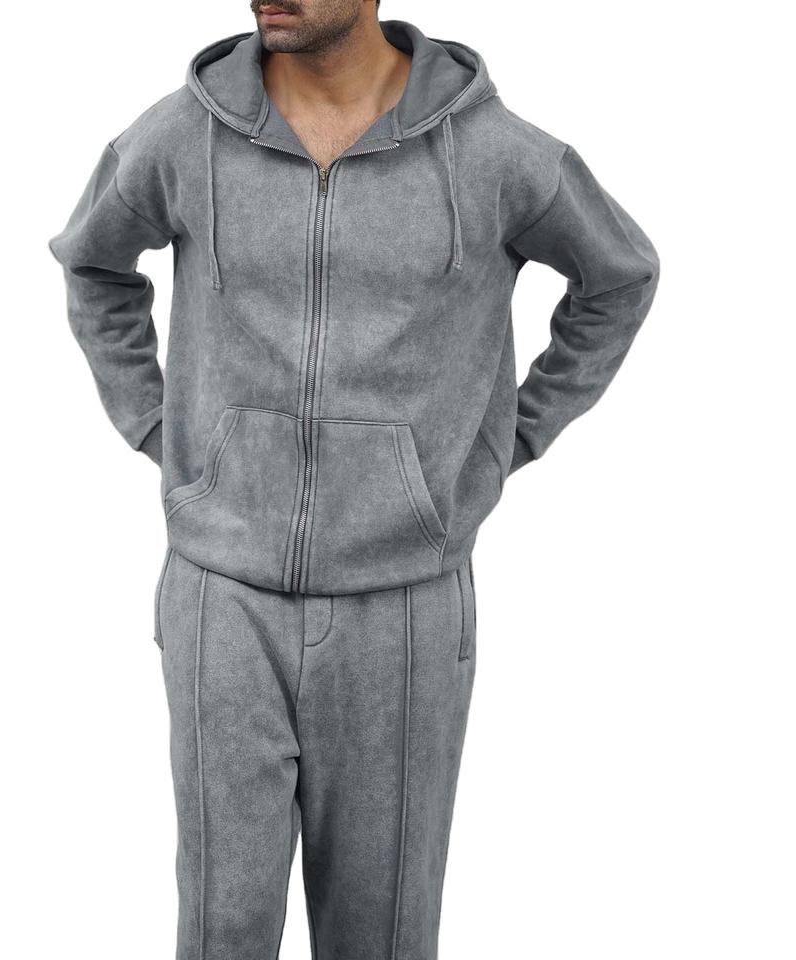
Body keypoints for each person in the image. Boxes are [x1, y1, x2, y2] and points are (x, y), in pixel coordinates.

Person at [49, 2, 660, 956]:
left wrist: (508, 438)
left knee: (381, 936)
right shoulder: (184, 134)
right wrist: (158, 426)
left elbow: (619, 277)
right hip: (220, 593)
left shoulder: (494, 152)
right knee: (220, 931)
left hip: (405, 604)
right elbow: (91, 262)